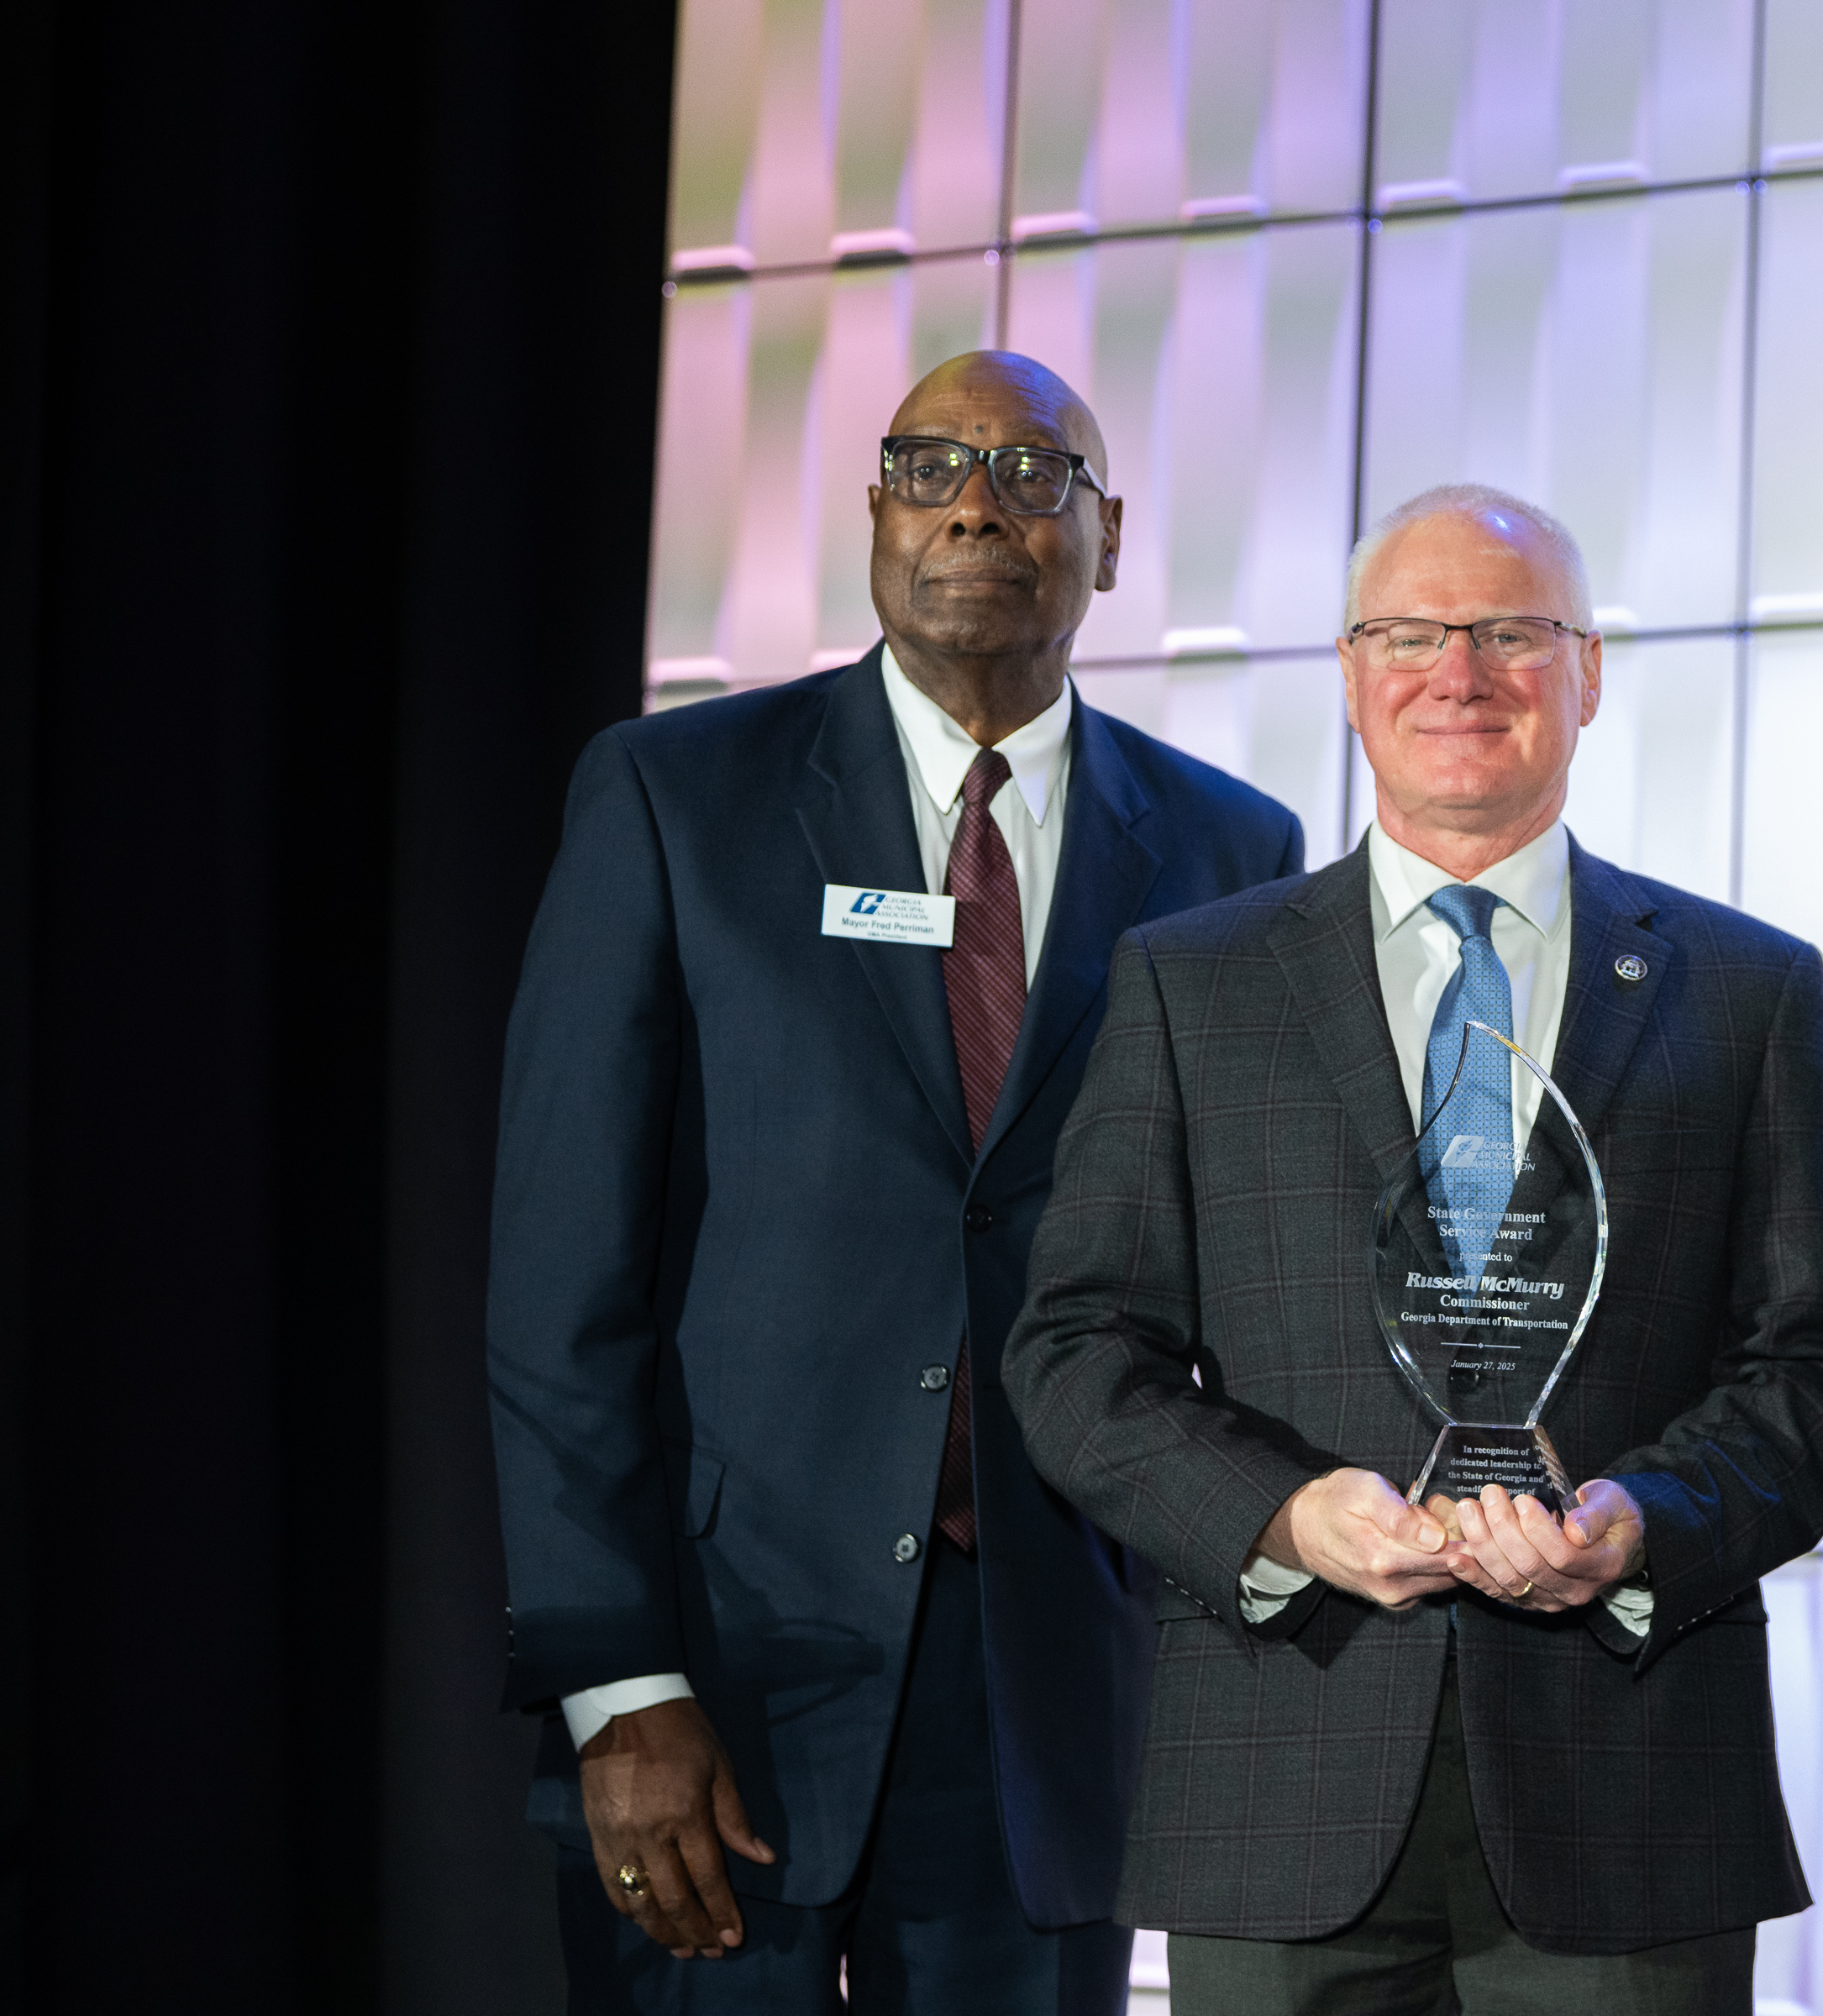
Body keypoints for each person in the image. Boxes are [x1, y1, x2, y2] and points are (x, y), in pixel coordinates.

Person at [486, 350, 1306, 2013]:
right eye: (928, 468)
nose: (974, 509)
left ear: (1113, 534)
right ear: (873, 511)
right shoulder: (675, 799)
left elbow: (1242, 1282)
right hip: (723, 1677)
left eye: (1028, 472)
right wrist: (615, 1678)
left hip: (1056, 1684)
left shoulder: (1236, 853)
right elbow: (560, 1286)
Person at [1001, 484, 1823, 2013]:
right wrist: (1284, 1519)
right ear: (1349, 675)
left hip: (1632, 1786)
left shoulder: (1748, 991)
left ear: (1589, 674)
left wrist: (1638, 1522)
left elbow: (1808, 1369)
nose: (1456, 673)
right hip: (1285, 1769)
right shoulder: (1189, 986)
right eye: (1408, 634)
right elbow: (1078, 1351)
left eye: (1511, 634)